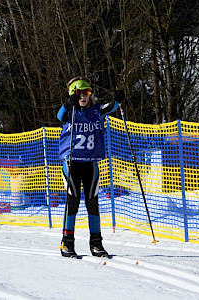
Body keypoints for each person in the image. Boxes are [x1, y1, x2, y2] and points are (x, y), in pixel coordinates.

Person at [57, 76, 123, 257]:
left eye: (86, 92)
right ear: (72, 94)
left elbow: (111, 107)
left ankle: (96, 243)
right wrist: (67, 103)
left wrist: (118, 99)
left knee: (92, 203)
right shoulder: (69, 112)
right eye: (79, 93)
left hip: (91, 164)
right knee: (73, 202)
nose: (83, 96)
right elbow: (59, 115)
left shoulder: (96, 111)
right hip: (72, 164)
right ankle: (67, 243)